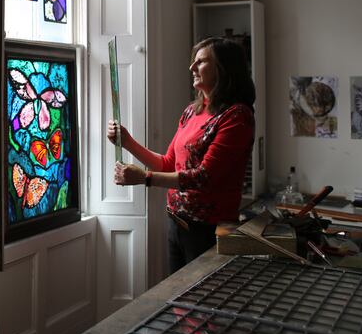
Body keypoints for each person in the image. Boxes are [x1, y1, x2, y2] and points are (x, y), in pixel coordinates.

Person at [108, 37, 255, 273]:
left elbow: (204, 177)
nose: (191, 68)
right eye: (193, 62)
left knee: (202, 305)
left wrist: (145, 178)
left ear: (223, 69)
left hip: (209, 230)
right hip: (177, 225)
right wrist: (128, 142)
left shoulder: (237, 116)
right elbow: (168, 164)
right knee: (179, 304)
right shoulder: (191, 111)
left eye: (201, 62)